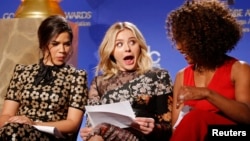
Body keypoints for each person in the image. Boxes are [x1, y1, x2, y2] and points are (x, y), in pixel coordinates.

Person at [165, 0, 250, 140]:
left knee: (197, 118)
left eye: (185, 39)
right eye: (177, 39)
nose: (179, 47)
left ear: (205, 39)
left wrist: (208, 94)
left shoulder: (239, 69)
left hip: (235, 134)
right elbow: (178, 130)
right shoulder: (182, 76)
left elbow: (247, 116)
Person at [79, 21, 173, 141]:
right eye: (119, 44)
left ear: (139, 46)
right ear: (111, 51)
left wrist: (154, 128)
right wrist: (87, 132)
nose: (127, 49)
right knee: (99, 130)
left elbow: (169, 128)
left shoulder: (158, 76)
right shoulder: (98, 83)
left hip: (142, 138)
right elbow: (91, 126)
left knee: (102, 128)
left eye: (132, 42)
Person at [0, 15, 88, 141]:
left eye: (67, 44)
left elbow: (72, 123)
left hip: (52, 136)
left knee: (13, 132)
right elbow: (6, 114)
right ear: (43, 43)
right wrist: (15, 123)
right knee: (11, 131)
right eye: (55, 44)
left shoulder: (76, 77)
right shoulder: (23, 72)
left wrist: (34, 124)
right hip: (16, 130)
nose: (62, 50)